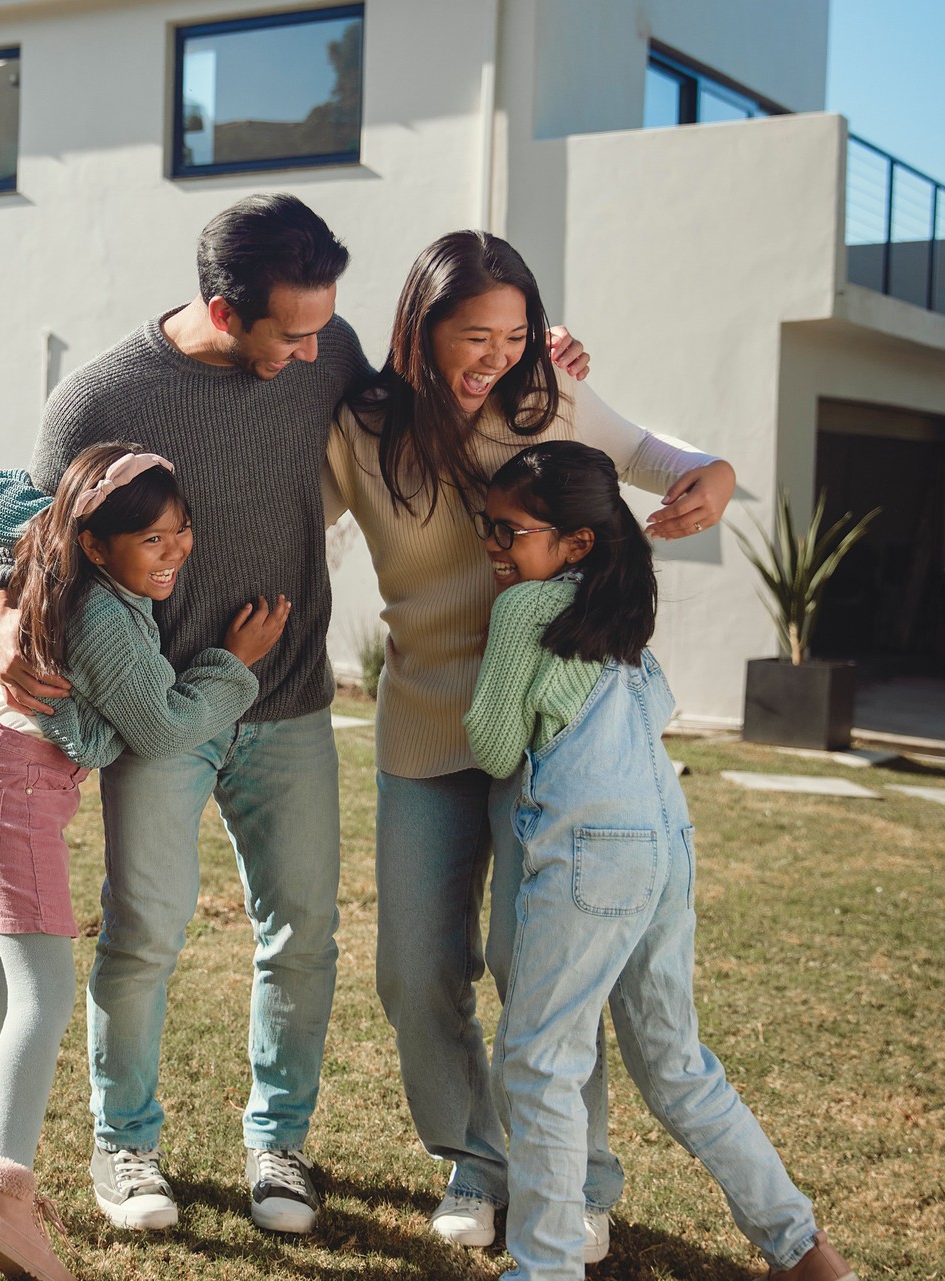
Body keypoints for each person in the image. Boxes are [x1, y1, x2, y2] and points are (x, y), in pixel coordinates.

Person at [0, 197, 590, 1236]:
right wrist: (0, 624)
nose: (315, 353)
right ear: (223, 307)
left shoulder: (332, 344)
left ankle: (280, 1143)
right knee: (146, 933)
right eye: (292, 335)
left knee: (303, 936)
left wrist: (541, 360)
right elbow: (21, 539)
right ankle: (125, 1143)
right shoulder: (101, 398)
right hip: (157, 709)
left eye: (324, 330)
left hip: (291, 695)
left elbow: (436, 393)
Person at [321, 229, 730, 1259]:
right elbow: (275, 516)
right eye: (474, 338)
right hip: (424, 728)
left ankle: (578, 1179)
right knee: (416, 972)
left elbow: (670, 462)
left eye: (513, 337)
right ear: (421, 330)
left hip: (546, 735)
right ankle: (478, 1158)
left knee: (537, 967)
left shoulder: (552, 401)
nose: (495, 359)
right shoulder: (361, 433)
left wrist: (709, 482)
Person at [0, 443, 288, 1281]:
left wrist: (68, 501)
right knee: (43, 992)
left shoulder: (66, 542)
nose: (174, 555)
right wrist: (232, 669)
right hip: (11, 792)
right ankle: (2, 1198)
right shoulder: (101, 609)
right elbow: (166, 725)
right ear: (97, 544)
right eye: (152, 541)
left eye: (182, 534)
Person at [465, 440, 857, 1281]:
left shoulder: (525, 612)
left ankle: (544, 1268)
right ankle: (805, 1251)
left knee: (538, 1062)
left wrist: (506, 694)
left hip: (587, 855)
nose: (493, 548)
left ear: (575, 542)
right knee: (679, 1067)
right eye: (487, 527)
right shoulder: (622, 614)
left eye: (509, 532)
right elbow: (661, 707)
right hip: (665, 847)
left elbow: (495, 747)